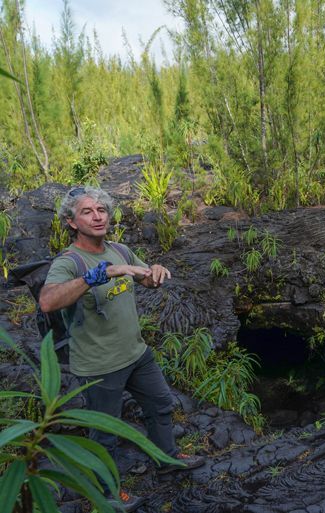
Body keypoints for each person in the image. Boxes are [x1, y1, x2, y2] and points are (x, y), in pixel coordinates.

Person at [39, 186, 204, 512]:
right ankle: (108, 494)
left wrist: (154, 274)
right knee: (105, 434)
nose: (98, 216)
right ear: (71, 221)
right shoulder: (70, 261)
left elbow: (144, 278)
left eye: (101, 209)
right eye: (87, 211)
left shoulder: (121, 249)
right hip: (100, 364)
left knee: (160, 405)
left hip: (136, 353)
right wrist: (100, 273)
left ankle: (167, 458)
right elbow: (48, 300)